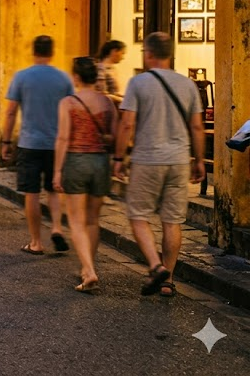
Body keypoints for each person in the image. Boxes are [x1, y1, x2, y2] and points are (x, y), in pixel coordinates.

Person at [113, 32, 205, 298]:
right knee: (172, 221)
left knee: (138, 216)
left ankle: (155, 266)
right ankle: (168, 281)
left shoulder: (138, 83)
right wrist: (199, 160)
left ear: (148, 54)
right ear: (171, 54)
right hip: (178, 161)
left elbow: (127, 124)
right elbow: (196, 126)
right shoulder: (187, 85)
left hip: (147, 159)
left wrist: (119, 158)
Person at [0, 36, 74, 255]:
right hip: (57, 144)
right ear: (51, 53)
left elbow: (11, 111)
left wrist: (6, 141)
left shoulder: (22, 77)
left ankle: (36, 242)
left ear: (33, 52)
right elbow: (72, 111)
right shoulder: (64, 79)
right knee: (53, 189)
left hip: (29, 143)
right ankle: (58, 227)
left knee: (31, 193)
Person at [52, 57, 118, 293]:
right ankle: (87, 265)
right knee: (92, 220)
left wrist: (57, 170)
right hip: (100, 162)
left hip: (76, 161)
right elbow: (114, 136)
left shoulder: (69, 103)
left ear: (76, 77)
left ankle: (88, 270)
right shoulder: (108, 102)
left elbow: (63, 138)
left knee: (76, 221)